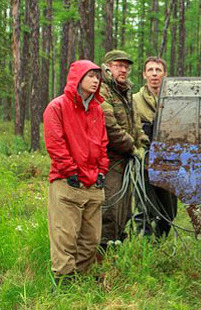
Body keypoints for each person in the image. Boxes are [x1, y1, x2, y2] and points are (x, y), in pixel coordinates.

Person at [43, 60, 108, 277]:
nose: (95, 80)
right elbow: (55, 143)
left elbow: (103, 144)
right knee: (65, 238)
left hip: (93, 184)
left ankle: (79, 281)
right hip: (67, 182)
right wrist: (70, 171)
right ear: (77, 78)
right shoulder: (57, 107)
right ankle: (63, 286)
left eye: (97, 76)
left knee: (91, 240)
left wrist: (101, 171)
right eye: (90, 75)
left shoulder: (98, 111)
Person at [100, 50, 150, 247]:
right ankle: (102, 250)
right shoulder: (103, 91)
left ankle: (117, 245)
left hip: (125, 161)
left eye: (126, 66)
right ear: (107, 67)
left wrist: (143, 142)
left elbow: (135, 122)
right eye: (118, 65)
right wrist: (131, 147)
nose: (123, 70)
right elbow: (109, 127)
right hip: (110, 161)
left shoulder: (126, 91)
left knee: (124, 209)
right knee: (110, 207)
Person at [133, 56, 178, 237]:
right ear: (144, 74)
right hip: (144, 161)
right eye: (150, 70)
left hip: (168, 162)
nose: (154, 74)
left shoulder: (175, 100)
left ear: (165, 74)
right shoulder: (134, 100)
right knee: (143, 207)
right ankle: (145, 245)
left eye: (158, 70)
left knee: (169, 210)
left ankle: (160, 242)